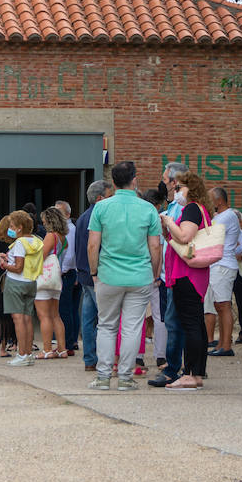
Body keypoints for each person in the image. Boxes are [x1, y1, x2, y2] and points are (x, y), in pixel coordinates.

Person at [87, 161, 160, 391]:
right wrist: (154, 273)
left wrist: (94, 272)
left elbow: (92, 245)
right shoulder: (148, 209)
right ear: (134, 180)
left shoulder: (101, 208)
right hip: (140, 275)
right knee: (132, 328)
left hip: (108, 274)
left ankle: (103, 376)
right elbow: (155, 247)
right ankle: (126, 377)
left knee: (106, 326)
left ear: (114, 182)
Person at [159, 172, 214, 390]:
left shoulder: (192, 208)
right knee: (196, 323)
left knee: (190, 324)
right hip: (193, 274)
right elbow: (176, 239)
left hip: (187, 274)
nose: (176, 191)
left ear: (190, 189)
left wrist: (169, 221)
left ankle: (190, 374)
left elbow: (184, 237)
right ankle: (197, 373)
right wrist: (168, 228)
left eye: (179, 187)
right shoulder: (199, 209)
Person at [148, 162, 188, 387]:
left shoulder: (184, 207)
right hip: (168, 274)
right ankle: (180, 366)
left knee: (176, 323)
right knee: (171, 321)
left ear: (174, 182)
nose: (162, 184)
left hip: (179, 273)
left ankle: (176, 368)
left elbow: (182, 237)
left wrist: (167, 225)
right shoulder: (172, 207)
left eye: (165, 180)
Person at [0, 211, 44, 367]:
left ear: (20, 227)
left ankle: (22, 354)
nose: (10, 229)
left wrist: (4, 264)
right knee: (28, 318)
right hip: (31, 282)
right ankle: (28, 354)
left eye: (12, 226)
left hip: (16, 283)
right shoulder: (36, 241)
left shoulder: (20, 243)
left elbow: (18, 268)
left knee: (18, 320)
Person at [205, 188, 242, 356]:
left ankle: (226, 346)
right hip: (217, 265)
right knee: (218, 305)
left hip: (223, 266)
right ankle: (220, 344)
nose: (209, 202)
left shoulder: (228, 216)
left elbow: (210, 236)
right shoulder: (219, 217)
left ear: (219, 201)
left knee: (224, 306)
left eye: (210, 199)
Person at [73, 180, 112, 371]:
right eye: (109, 196)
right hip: (96, 273)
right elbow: (94, 246)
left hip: (84, 273)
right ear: (99, 198)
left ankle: (89, 359)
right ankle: (102, 359)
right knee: (104, 319)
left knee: (88, 319)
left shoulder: (82, 217)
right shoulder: (98, 217)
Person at [35, 206, 69, 359]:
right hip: (56, 279)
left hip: (44, 279)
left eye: (44, 221)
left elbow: (40, 257)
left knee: (44, 316)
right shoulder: (63, 238)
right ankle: (62, 349)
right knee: (55, 315)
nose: (43, 224)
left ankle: (47, 349)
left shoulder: (50, 236)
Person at [55, 200, 80, 354]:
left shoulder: (68, 230)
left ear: (68, 214)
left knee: (65, 310)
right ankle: (71, 341)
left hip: (67, 273)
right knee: (71, 309)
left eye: (59, 212)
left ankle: (67, 343)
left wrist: (60, 272)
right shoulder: (67, 229)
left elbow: (69, 255)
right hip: (71, 272)